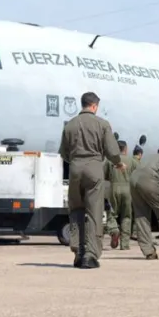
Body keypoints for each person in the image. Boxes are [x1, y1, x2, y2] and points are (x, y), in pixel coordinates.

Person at [58, 92, 123, 269]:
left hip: (75, 169)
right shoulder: (102, 124)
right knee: (94, 212)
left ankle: (78, 253)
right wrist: (118, 163)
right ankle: (90, 255)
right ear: (94, 106)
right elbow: (112, 151)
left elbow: (63, 152)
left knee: (76, 211)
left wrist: (75, 161)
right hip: (94, 167)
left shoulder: (69, 125)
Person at [106, 140, 137, 250]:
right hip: (128, 189)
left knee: (112, 213)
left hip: (114, 188)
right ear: (126, 149)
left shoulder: (109, 161)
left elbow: (104, 175)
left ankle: (114, 230)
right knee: (127, 216)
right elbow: (138, 175)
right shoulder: (132, 161)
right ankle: (125, 244)